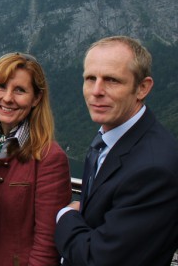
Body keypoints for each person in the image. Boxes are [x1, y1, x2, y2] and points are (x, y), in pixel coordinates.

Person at [55, 36, 178, 265]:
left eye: (112, 80)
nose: (96, 91)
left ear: (142, 88)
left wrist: (66, 215)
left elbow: (98, 259)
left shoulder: (154, 169)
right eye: (90, 78)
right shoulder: (110, 136)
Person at [0, 52, 71, 265]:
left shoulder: (50, 158)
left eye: (19, 90)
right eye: (0, 86)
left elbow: (46, 246)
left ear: (36, 98)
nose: (7, 98)